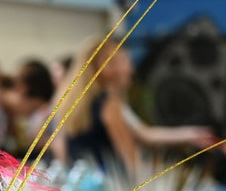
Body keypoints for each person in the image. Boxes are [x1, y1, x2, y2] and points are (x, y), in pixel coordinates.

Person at [61, 36, 215, 176]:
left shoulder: (79, 102)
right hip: (108, 188)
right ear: (108, 69)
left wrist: (191, 134)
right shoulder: (109, 103)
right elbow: (131, 158)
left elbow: (144, 133)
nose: (131, 70)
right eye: (125, 62)